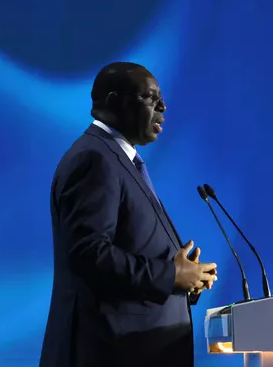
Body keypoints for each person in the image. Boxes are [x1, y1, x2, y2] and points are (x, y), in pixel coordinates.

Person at [39, 62, 218, 367]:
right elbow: (89, 255)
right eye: (150, 98)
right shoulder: (94, 159)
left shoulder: (119, 160)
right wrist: (171, 275)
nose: (162, 106)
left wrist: (185, 278)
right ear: (113, 102)